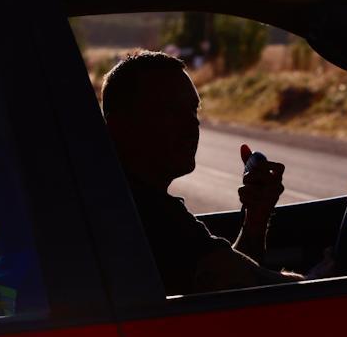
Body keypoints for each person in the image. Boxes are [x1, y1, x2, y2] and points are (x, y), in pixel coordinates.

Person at [101, 50, 301, 295]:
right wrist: (324, 277)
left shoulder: (132, 197)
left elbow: (228, 280)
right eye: (171, 111)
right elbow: (263, 287)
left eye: (193, 110)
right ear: (119, 127)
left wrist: (255, 217)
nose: (192, 124)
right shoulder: (149, 214)